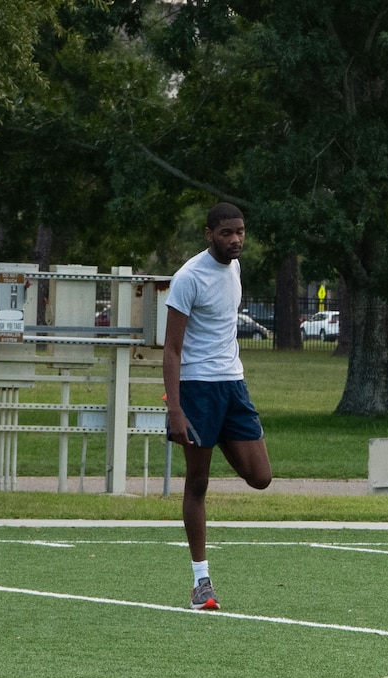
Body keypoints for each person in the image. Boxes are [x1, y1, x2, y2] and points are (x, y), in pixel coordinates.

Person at [164, 202, 273, 611]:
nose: (236, 240)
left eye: (241, 232)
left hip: (233, 386)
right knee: (198, 483)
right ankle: (201, 581)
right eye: (227, 233)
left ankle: (218, 439)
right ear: (209, 233)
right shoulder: (188, 278)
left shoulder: (235, 269)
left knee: (260, 477)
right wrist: (176, 410)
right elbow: (172, 350)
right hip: (196, 389)